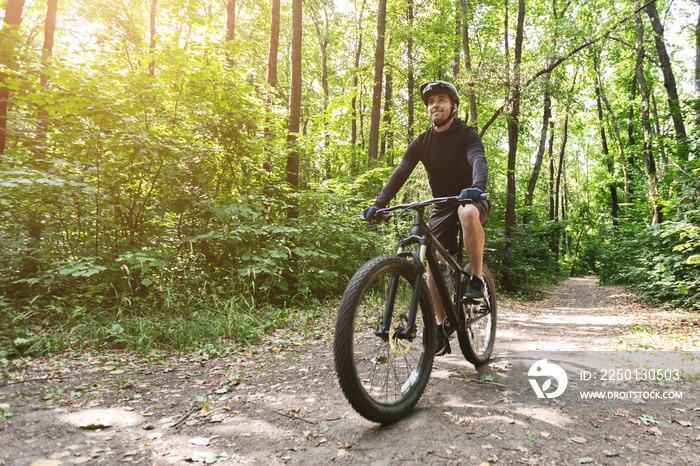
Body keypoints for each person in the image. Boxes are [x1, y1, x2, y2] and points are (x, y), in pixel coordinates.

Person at [363, 80, 490, 356]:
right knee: (431, 258)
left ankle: (477, 280)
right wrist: (379, 204)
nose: (436, 105)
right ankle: (440, 325)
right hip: (441, 204)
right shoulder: (421, 142)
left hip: (470, 197)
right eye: (431, 101)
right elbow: (400, 173)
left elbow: (478, 159)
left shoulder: (467, 134)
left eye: (442, 100)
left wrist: (478, 187)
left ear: (453, 106)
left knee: (467, 211)